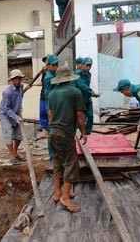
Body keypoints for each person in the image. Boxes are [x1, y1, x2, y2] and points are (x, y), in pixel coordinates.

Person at [48, 66, 87, 213]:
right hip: (65, 133)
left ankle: (57, 193)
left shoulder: (52, 94)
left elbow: (50, 115)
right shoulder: (75, 92)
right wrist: (83, 132)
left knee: (58, 162)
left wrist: (52, 129)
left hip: (54, 132)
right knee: (71, 164)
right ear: (69, 78)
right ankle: (65, 197)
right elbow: (79, 115)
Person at [0, 69, 27, 164]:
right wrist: (16, 117)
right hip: (6, 114)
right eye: (15, 79)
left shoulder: (21, 87)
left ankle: (15, 152)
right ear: (12, 80)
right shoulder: (7, 92)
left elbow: (20, 96)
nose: (17, 81)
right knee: (9, 132)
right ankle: (11, 155)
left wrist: (19, 112)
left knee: (19, 134)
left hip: (15, 111)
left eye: (19, 79)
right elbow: (6, 108)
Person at [72, 57, 99, 135]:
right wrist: (92, 92)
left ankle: (87, 133)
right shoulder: (77, 74)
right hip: (79, 99)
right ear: (82, 65)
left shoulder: (89, 74)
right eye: (87, 65)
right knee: (79, 117)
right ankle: (79, 133)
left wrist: (91, 94)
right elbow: (82, 85)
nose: (88, 67)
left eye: (90, 66)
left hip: (87, 98)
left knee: (90, 116)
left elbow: (86, 86)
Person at [43, 54, 59, 160]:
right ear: (48, 65)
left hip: (55, 106)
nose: (55, 67)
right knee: (51, 132)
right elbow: (48, 95)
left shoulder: (53, 75)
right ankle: (52, 155)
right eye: (53, 65)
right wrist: (50, 111)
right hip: (51, 107)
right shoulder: (49, 78)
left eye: (57, 65)